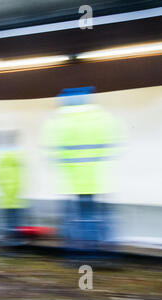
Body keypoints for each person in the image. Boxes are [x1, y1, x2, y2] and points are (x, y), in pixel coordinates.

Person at [42, 86, 121, 257]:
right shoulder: (100, 117)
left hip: (71, 182)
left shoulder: (60, 121)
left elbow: (52, 152)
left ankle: (80, 252)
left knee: (74, 218)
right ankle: (103, 251)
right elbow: (113, 145)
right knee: (96, 216)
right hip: (96, 179)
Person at [0, 130, 27, 253]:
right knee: (13, 224)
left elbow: (5, 181)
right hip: (13, 199)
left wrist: (6, 198)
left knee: (9, 224)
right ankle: (14, 245)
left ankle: (10, 248)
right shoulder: (15, 159)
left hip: (8, 200)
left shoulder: (4, 160)